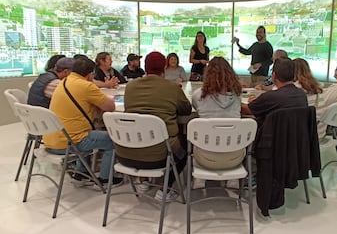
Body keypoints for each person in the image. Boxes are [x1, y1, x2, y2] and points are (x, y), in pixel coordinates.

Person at [116, 51, 192, 202]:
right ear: (163, 67)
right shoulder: (172, 88)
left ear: (145, 67)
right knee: (184, 144)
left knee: (141, 133)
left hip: (127, 152)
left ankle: (143, 181)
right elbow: (186, 110)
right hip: (160, 154)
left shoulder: (130, 87)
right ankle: (166, 188)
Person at [43, 57, 123, 188]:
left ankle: (81, 173)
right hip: (68, 143)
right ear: (90, 74)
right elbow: (110, 106)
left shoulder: (63, 82)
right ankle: (105, 179)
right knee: (113, 140)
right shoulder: (86, 86)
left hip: (51, 140)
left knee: (82, 130)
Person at [192, 57, 244, 171]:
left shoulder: (198, 95)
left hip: (205, 155)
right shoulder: (237, 95)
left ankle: (199, 179)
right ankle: (233, 179)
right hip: (235, 156)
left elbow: (197, 108)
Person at [241, 57, 308, 130]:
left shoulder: (270, 97)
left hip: (269, 137)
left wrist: (235, 100)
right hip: (293, 137)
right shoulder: (301, 94)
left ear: (274, 75)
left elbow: (247, 110)